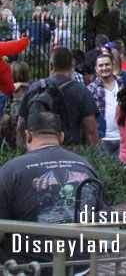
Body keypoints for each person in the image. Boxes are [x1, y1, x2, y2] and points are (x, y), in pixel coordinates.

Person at [0, 110, 102, 264]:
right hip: (81, 266)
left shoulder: (11, 170)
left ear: (28, 136)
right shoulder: (84, 166)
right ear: (61, 137)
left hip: (28, 269)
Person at [17, 45, 98, 147]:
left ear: (51, 65)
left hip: (39, 150)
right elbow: (91, 130)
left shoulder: (35, 88)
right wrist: (93, 158)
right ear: (71, 67)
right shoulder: (81, 91)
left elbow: (20, 126)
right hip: (70, 153)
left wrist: (21, 154)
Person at [88, 51, 122, 156]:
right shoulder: (91, 89)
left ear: (113, 64)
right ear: (96, 69)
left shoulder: (123, 84)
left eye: (107, 64)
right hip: (103, 139)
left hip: (123, 138)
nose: (104, 68)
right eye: (101, 65)